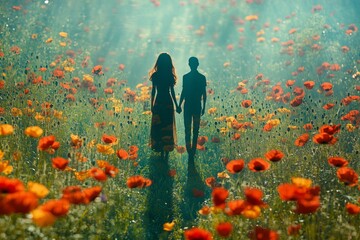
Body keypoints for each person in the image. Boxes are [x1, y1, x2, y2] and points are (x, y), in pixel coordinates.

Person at [149, 53, 180, 157]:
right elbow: (172, 92)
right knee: (167, 125)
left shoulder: (155, 75)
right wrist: (176, 105)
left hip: (159, 101)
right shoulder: (170, 76)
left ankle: (161, 149)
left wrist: (152, 105)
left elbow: (153, 91)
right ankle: (166, 151)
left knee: (159, 125)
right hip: (168, 102)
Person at [178, 57, 206, 156]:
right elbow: (204, 93)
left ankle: (190, 150)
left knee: (188, 128)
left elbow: (184, 92)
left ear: (189, 64)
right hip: (197, 105)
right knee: (195, 129)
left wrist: (179, 104)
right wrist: (204, 106)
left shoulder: (186, 77)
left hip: (188, 105)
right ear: (197, 64)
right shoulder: (202, 77)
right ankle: (192, 150)